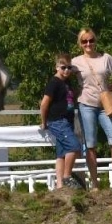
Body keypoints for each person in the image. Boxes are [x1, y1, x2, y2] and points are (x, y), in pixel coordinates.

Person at [72, 28, 112, 187]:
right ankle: (94, 183)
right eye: (84, 41)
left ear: (95, 41)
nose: (88, 44)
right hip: (86, 104)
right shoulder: (75, 62)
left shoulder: (106, 58)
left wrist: (110, 89)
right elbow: (63, 76)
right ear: (80, 44)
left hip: (106, 106)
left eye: (91, 40)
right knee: (91, 144)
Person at [40, 54, 85, 190]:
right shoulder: (54, 82)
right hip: (58, 120)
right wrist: (44, 121)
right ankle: (66, 177)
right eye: (63, 67)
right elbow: (44, 104)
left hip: (67, 120)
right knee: (74, 147)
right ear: (57, 67)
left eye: (69, 68)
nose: (66, 70)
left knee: (61, 154)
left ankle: (59, 185)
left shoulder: (67, 83)